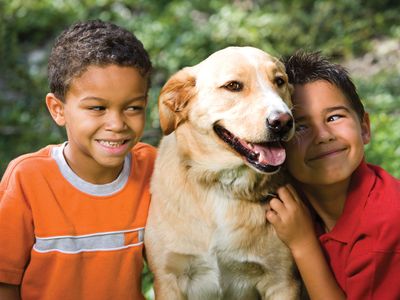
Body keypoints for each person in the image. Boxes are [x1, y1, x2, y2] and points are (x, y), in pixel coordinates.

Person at [0, 20, 155, 300]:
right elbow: (4, 283)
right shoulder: (28, 179)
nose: (117, 123)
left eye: (133, 107)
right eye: (97, 108)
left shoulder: (152, 168)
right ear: (58, 110)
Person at [266, 51, 400, 299]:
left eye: (334, 117)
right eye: (301, 126)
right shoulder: (290, 201)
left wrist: (303, 244)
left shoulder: (385, 226)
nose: (324, 135)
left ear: (364, 128)